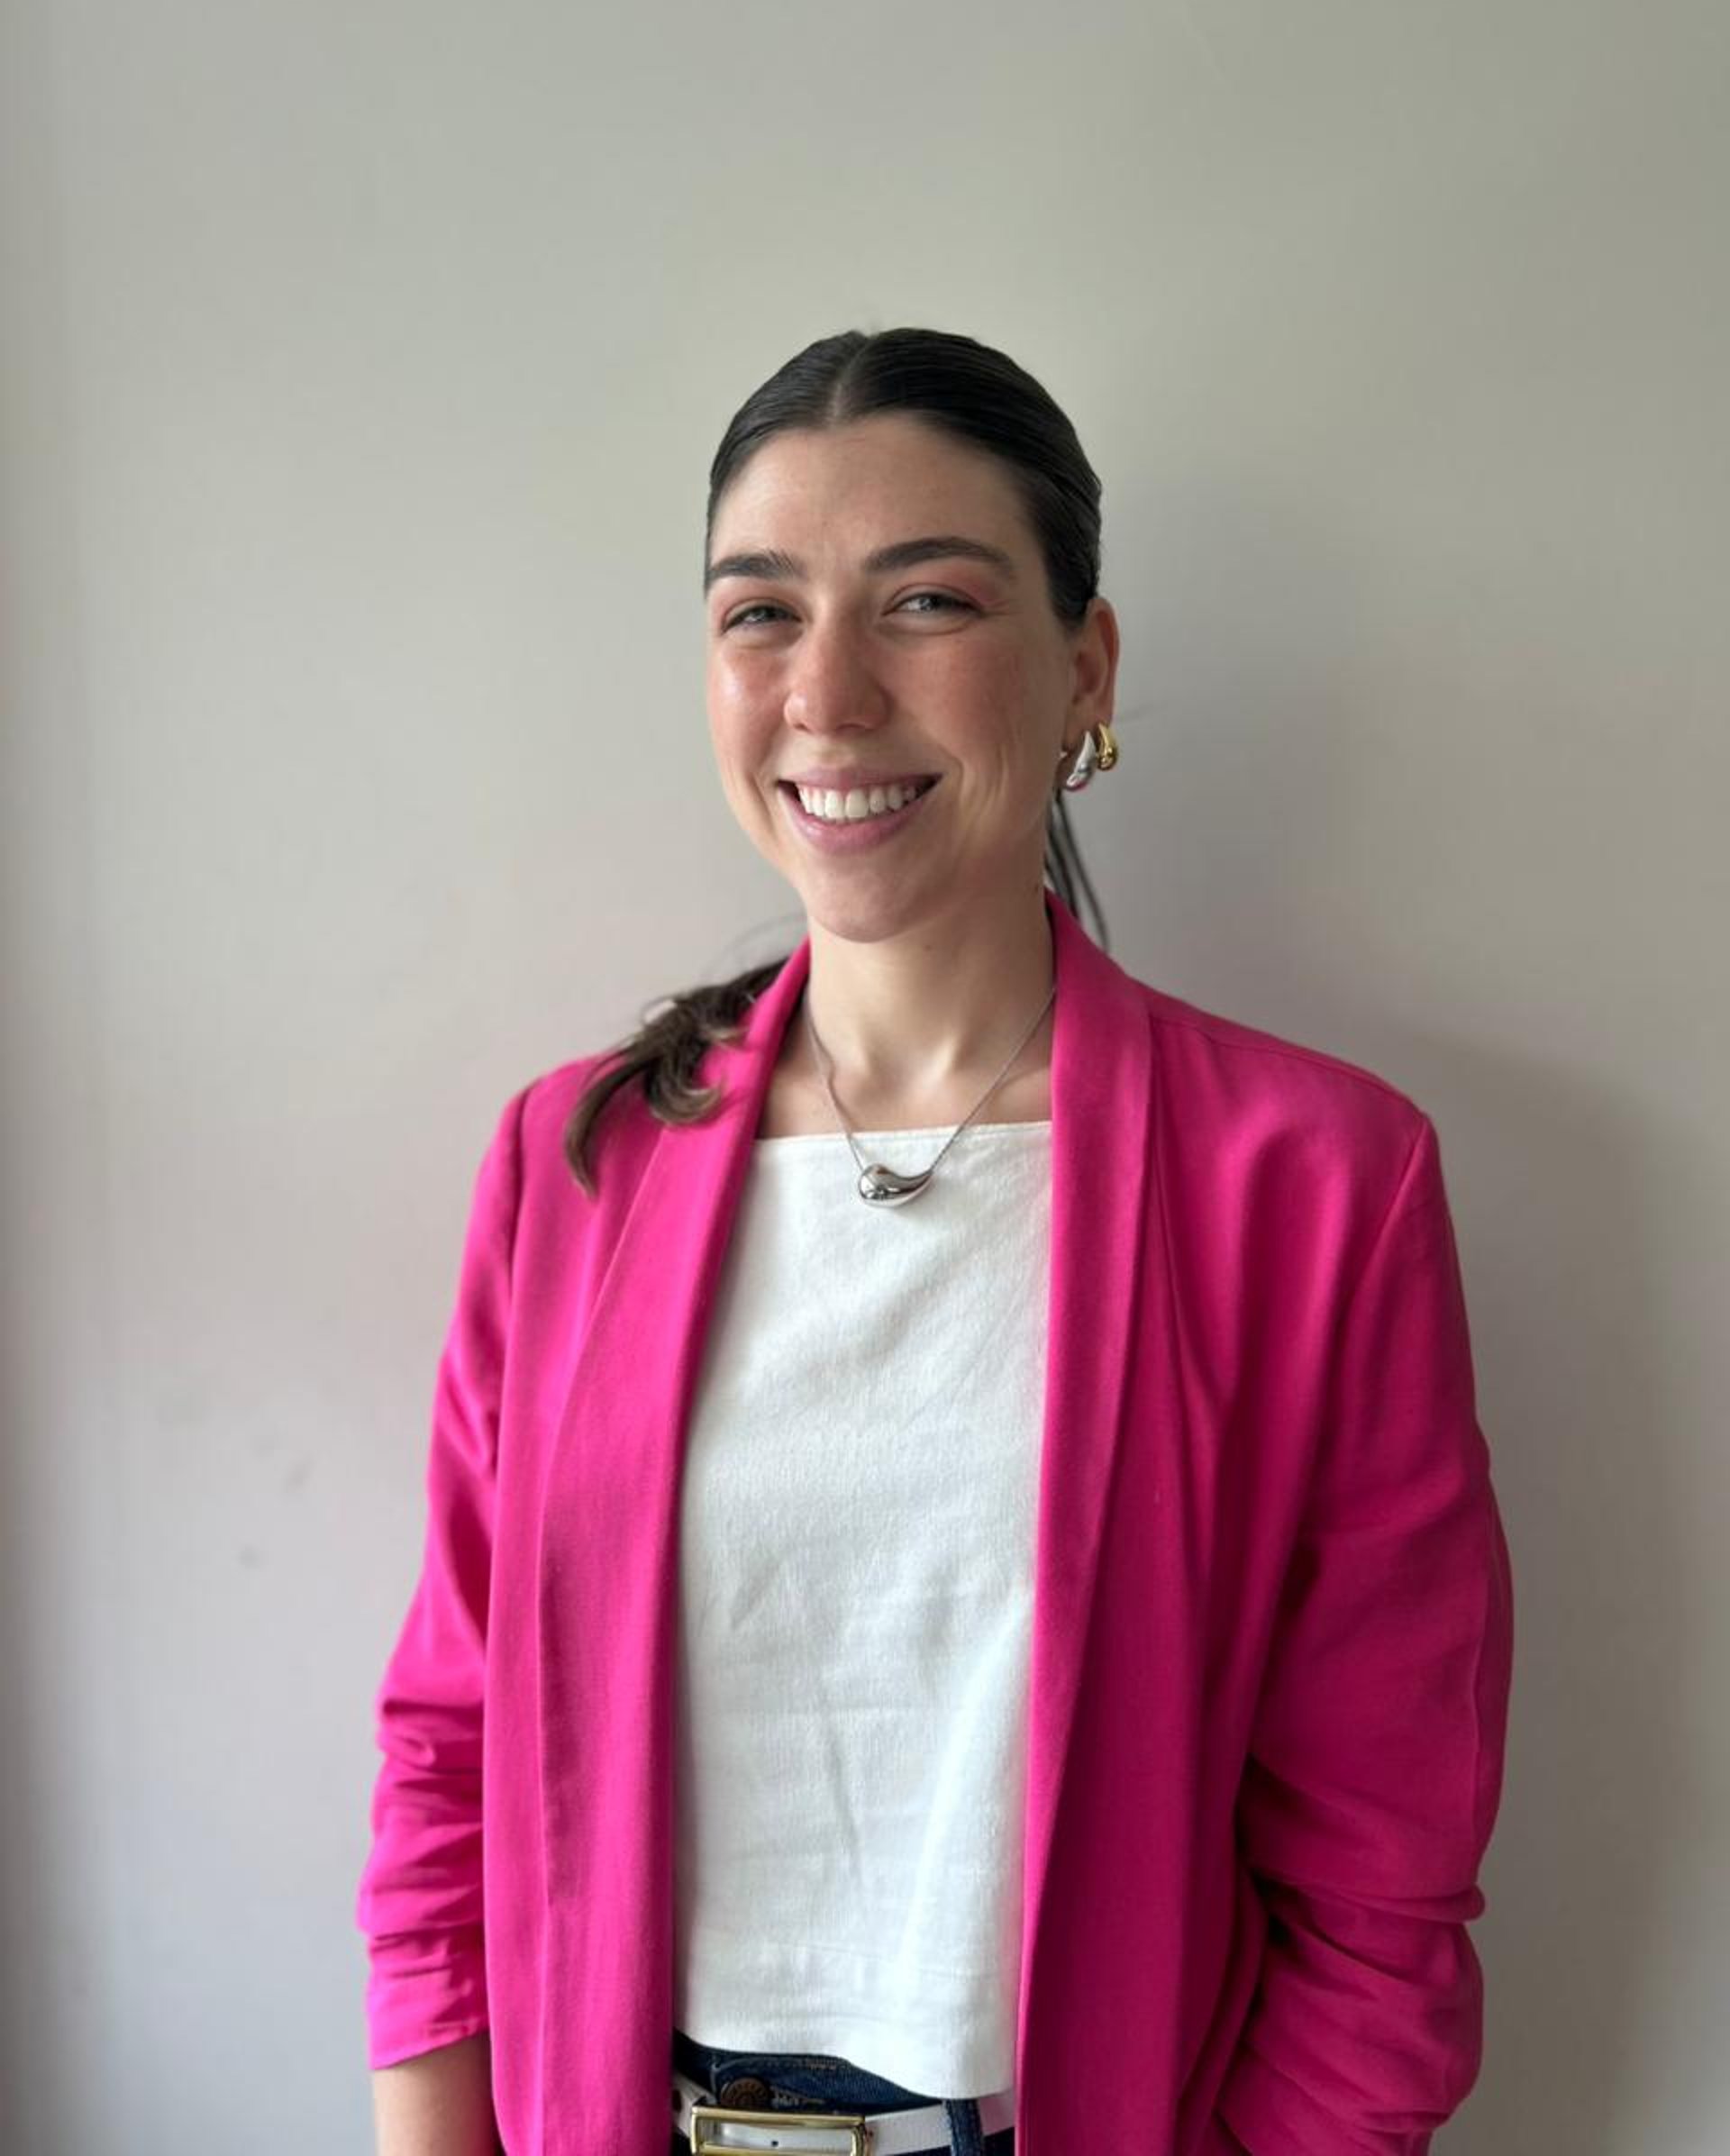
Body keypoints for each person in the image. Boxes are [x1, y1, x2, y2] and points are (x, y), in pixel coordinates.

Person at [357, 327, 1515, 2156]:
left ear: (1086, 671)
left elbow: (1383, 1877)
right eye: (760, 612)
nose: (826, 691)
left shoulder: (1317, 1186)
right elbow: (449, 1747)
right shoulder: (572, 1162)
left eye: (927, 602)